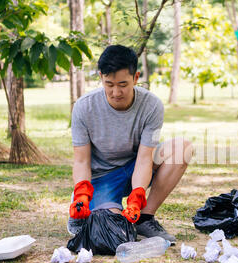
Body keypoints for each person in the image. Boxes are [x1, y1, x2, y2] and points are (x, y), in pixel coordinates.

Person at [67, 45, 193, 245]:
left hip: (135, 167)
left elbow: (144, 159)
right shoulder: (84, 107)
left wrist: (137, 195)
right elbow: (81, 161)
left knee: (183, 148)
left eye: (123, 84)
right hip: (102, 177)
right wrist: (82, 191)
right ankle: (89, 208)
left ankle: (144, 217)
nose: (116, 92)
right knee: (115, 231)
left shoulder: (151, 105)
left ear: (136, 77)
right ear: (100, 77)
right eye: (109, 84)